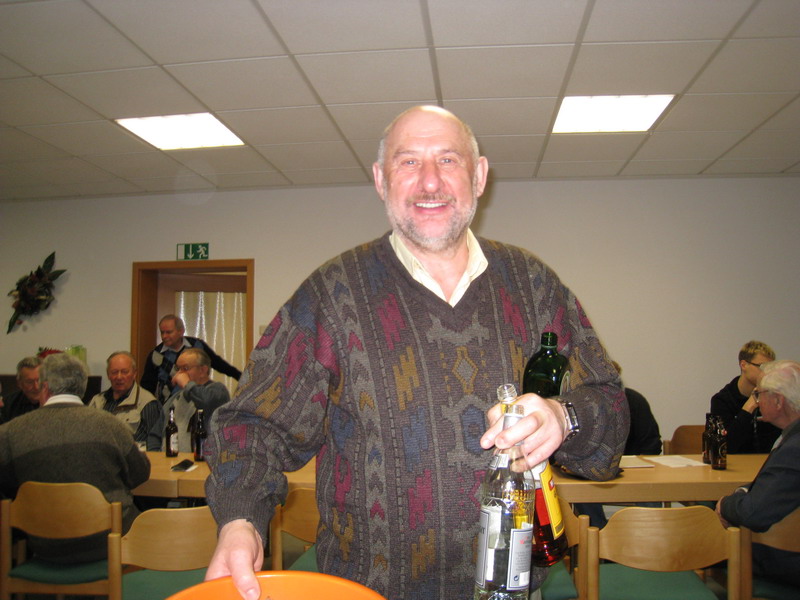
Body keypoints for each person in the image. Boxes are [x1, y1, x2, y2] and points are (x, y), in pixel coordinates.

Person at [203, 105, 628, 600]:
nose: (430, 182)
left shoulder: (533, 285)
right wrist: (240, 521)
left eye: (448, 160)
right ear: (380, 180)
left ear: (479, 176)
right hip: (369, 592)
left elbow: (611, 406)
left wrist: (563, 416)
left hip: (510, 591)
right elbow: (251, 426)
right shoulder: (331, 296)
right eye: (408, 162)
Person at [0, 353, 150, 563]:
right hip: (108, 541)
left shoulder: (10, 432)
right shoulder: (111, 425)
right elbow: (139, 473)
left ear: (45, 387)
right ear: (82, 387)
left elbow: (8, 484)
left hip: (44, 544)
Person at [716, 360, 800, 589]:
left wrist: (725, 504)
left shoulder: (793, 449)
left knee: (700, 533)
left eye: (759, 394)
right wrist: (742, 492)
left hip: (784, 559)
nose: (757, 400)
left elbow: (752, 513)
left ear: (778, 401)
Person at [576, 361, 662, 526]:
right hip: (593, 471)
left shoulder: (635, 401)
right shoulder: (580, 406)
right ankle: (598, 533)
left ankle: (651, 533)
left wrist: (639, 464)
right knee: (581, 491)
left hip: (634, 472)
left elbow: (652, 443)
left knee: (650, 489)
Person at [140, 314, 241, 403]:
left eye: (169, 332)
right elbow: (146, 387)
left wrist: (241, 377)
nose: (164, 336)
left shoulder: (197, 345)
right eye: (162, 332)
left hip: (196, 402)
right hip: (168, 406)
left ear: (181, 331)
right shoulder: (155, 355)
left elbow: (219, 364)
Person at [147, 348, 230, 452]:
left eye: (185, 368)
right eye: (178, 369)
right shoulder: (174, 398)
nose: (180, 374)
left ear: (202, 370)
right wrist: (156, 456)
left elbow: (205, 401)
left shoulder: (218, 391)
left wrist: (187, 384)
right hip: (169, 460)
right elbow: (155, 435)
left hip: (202, 460)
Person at [711, 340, 780, 453]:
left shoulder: (774, 397)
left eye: (771, 368)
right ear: (743, 365)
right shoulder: (721, 400)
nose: (768, 373)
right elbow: (725, 447)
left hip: (765, 461)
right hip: (734, 462)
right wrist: (749, 407)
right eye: (762, 367)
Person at [89, 351, 161, 445]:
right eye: (114, 372)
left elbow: (153, 442)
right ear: (108, 375)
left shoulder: (147, 403)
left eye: (124, 372)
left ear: (134, 374)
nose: (119, 377)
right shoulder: (97, 400)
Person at [0, 356, 43, 424]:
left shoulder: (56, 402)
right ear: (19, 383)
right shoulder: (8, 405)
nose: (36, 387)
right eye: (29, 382)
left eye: (39, 380)